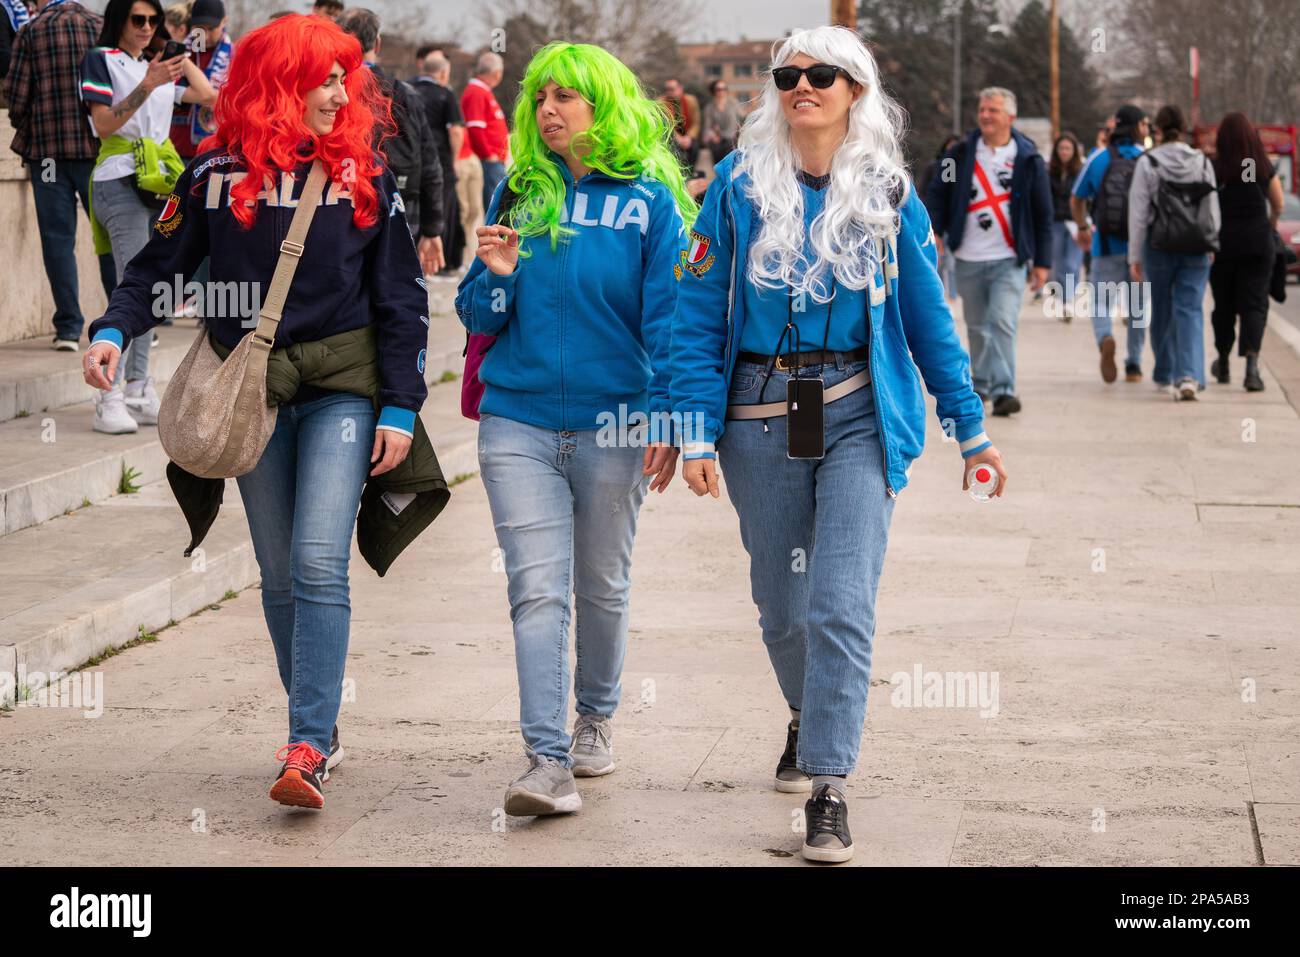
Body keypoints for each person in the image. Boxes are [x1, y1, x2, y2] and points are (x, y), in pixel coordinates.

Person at [83, 13, 436, 810]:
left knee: (317, 560)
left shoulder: (363, 171)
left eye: (346, 76)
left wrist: (402, 407)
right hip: (252, 394)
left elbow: (402, 301)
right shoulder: (211, 168)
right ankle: (315, 725)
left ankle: (306, 740)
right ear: (280, 83)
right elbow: (156, 265)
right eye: (327, 76)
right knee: (278, 573)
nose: (344, 91)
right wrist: (113, 327)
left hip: (343, 391)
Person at [671, 26, 1006, 863]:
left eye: (822, 75)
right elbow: (694, 310)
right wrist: (689, 428)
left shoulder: (889, 193)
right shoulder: (740, 187)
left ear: (855, 90)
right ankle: (804, 708)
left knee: (839, 603)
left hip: (857, 410)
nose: (802, 87)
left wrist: (970, 428)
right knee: (782, 610)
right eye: (789, 75)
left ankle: (828, 787)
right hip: (757, 412)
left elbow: (930, 318)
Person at [455, 41, 693, 818]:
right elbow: (477, 314)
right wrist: (493, 281)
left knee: (601, 584)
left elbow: (669, 319)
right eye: (540, 97)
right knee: (535, 591)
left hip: (615, 422)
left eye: (568, 96)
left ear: (605, 104)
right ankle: (544, 759)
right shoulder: (520, 191)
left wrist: (669, 413)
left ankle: (595, 716)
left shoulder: (650, 198)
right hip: (515, 421)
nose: (549, 109)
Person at [81, 0, 214, 434]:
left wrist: (179, 59)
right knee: (131, 282)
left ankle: (138, 385)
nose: (146, 27)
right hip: (118, 180)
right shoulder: (103, 60)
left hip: (160, 183)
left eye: (153, 21)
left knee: (155, 284)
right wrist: (149, 81)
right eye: (138, 19)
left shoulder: (154, 65)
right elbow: (103, 124)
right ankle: (109, 394)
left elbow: (208, 97)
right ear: (118, 21)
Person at [925, 86, 1052, 417]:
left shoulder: (1029, 159)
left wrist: (1043, 262)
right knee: (978, 324)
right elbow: (939, 191)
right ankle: (980, 384)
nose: (985, 116)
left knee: (1002, 320)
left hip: (1009, 258)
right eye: (982, 110)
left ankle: (1005, 389)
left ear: (1010, 116)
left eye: (993, 111)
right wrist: (935, 230)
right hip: (967, 256)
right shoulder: (959, 155)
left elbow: (1043, 212)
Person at [4, 0, 119, 352]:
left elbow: (17, 97)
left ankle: (68, 328)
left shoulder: (30, 30)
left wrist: (29, 125)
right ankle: (122, 322)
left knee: (58, 240)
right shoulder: (100, 26)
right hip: (95, 154)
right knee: (108, 239)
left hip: (49, 155)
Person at [337, 7, 444, 276]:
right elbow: (430, 163)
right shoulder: (406, 94)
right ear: (377, 43)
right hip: (403, 205)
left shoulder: (330, 92)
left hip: (344, 205)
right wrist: (433, 229)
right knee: (399, 284)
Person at [1128, 104, 1220, 400]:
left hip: (1159, 245)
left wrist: (1134, 256)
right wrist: (1212, 241)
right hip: (1196, 245)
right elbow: (1212, 207)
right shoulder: (1203, 162)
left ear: (1158, 129)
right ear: (1183, 130)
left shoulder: (1148, 162)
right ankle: (1189, 375)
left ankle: (1165, 371)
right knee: (1191, 308)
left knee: (1163, 308)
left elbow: (1138, 213)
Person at [1071, 105, 1148, 383]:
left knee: (1101, 304)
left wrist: (1082, 227)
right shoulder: (1146, 159)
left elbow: (1076, 198)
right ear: (1138, 126)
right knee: (1138, 310)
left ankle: (1105, 338)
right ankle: (1135, 365)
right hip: (1140, 251)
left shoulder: (1099, 158)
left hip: (1105, 246)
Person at [1210, 112, 1285, 392]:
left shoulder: (1216, 168)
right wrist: (1268, 226)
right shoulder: (1258, 166)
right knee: (1254, 305)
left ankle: (1223, 361)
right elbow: (1277, 204)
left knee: (1224, 306)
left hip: (1223, 246)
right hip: (1256, 245)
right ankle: (1252, 369)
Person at [412, 51, 465, 275]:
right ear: (443, 73)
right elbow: (455, 131)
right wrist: (454, 161)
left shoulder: (407, 90)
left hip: (412, 161)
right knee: (442, 209)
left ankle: (413, 259)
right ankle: (439, 264)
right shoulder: (445, 94)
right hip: (439, 161)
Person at [167, 0, 231, 161]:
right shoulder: (180, 51)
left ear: (224, 21)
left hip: (217, 151)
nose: (206, 35)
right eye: (200, 29)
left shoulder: (234, 55)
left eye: (211, 29)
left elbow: (214, 97)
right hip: (176, 149)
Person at [461, 51, 508, 213]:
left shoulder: (482, 91)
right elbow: (474, 128)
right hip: (489, 161)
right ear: (497, 73)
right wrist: (488, 154)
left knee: (499, 203)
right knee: (496, 205)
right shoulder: (476, 92)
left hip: (493, 160)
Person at [918, 134, 960, 302]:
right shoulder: (939, 166)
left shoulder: (957, 167)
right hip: (937, 220)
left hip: (952, 222)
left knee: (951, 261)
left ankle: (952, 294)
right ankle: (941, 293)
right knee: (940, 260)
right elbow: (928, 192)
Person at [1047, 132, 1083, 320]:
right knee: (1058, 264)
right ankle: (1062, 300)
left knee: (1072, 262)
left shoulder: (1081, 171)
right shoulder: (1049, 171)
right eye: (1061, 148)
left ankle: (1068, 300)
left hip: (1076, 222)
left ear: (1074, 151)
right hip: (1055, 222)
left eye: (1068, 148)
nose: (1064, 152)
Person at [660, 77, 700, 171]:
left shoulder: (691, 101)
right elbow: (665, 125)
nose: (669, 92)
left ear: (680, 89)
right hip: (670, 135)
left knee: (694, 146)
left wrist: (689, 137)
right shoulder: (661, 102)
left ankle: (690, 171)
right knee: (671, 147)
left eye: (672, 89)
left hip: (687, 134)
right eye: (667, 89)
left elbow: (696, 123)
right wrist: (677, 138)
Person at [702, 78, 742, 165]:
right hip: (717, 139)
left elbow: (735, 123)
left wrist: (720, 134)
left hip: (732, 137)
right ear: (714, 91)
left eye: (724, 89)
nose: (722, 92)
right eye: (719, 89)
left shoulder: (733, 104)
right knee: (716, 147)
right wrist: (712, 135)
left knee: (729, 145)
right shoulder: (709, 108)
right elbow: (707, 126)